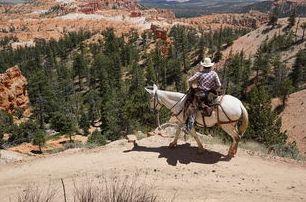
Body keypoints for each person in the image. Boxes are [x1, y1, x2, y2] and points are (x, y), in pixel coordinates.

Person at [185, 57, 222, 131]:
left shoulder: (199, 73)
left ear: (203, 66)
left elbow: (189, 80)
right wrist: (213, 88)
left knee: (192, 107)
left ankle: (189, 126)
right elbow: (219, 85)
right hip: (211, 95)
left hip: (200, 94)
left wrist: (191, 87)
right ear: (210, 66)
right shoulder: (214, 73)